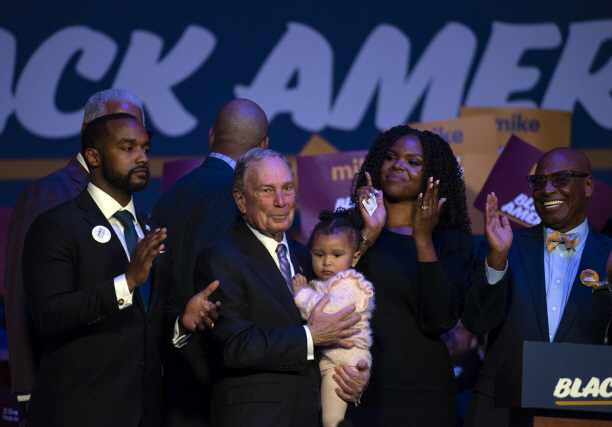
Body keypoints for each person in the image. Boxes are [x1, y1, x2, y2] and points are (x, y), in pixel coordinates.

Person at [22, 113, 218, 427]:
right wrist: (125, 284)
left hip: (146, 411)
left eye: (145, 148)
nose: (142, 157)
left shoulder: (150, 228)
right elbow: (48, 315)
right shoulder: (57, 225)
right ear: (93, 156)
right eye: (128, 148)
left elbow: (147, 320)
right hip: (81, 410)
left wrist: (181, 321)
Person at [462, 147, 612, 427]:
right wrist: (496, 260)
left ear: (589, 185)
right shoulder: (503, 245)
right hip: (500, 409)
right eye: (538, 181)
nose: (547, 190)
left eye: (560, 179)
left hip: (582, 412)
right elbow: (476, 322)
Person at [193, 148, 370, 426]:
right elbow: (234, 346)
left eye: (287, 188)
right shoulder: (220, 259)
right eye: (267, 190)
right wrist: (310, 336)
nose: (281, 201)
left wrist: (354, 372)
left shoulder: (308, 256)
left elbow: (341, 331)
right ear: (240, 200)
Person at [4, 88, 146, 422]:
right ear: (89, 137)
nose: (136, 150)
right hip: (64, 394)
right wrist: (27, 389)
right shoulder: (48, 193)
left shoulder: (135, 204)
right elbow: (22, 294)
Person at [346, 125, 474, 426]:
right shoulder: (345, 228)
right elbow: (322, 291)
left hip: (422, 393)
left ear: (433, 176)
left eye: (413, 161)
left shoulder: (450, 241)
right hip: (352, 384)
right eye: (391, 157)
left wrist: (422, 239)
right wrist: (369, 233)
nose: (398, 165)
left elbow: (440, 319)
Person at [151, 99, 268, 427]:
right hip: (222, 382)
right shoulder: (240, 200)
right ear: (264, 147)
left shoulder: (169, 195)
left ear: (211, 136)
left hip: (170, 374)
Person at [292, 209, 375, 427]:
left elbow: (327, 313)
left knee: (331, 421)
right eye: (319, 255)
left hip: (344, 364)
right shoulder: (326, 284)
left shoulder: (352, 285)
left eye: (337, 255)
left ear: (355, 257)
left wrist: (301, 295)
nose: (327, 262)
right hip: (329, 359)